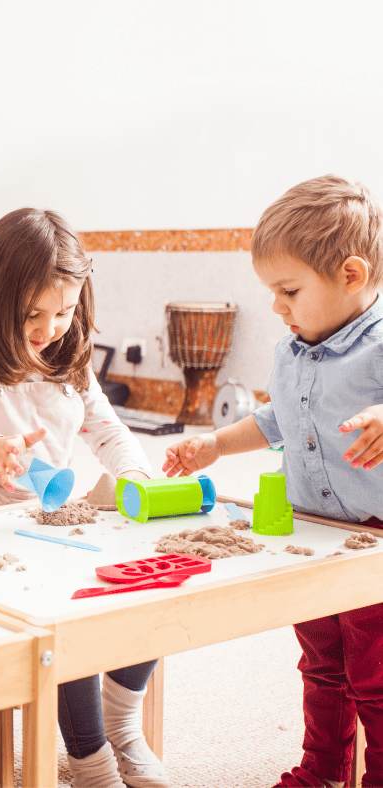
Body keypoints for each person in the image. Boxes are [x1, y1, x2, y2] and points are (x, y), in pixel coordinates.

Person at [0, 207, 168, 788]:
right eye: (32, 313)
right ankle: (88, 758)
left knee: (151, 590)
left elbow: (108, 432)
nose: (48, 327)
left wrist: (134, 473)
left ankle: (123, 724)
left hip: (52, 518)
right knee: (69, 618)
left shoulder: (70, 357)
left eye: (63, 311)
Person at [163, 174, 383, 788]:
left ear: (351, 275)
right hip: (310, 533)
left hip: (373, 541)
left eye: (289, 290)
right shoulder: (292, 351)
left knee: (377, 675)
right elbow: (275, 420)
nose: (276, 307)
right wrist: (214, 444)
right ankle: (322, 768)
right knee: (320, 663)